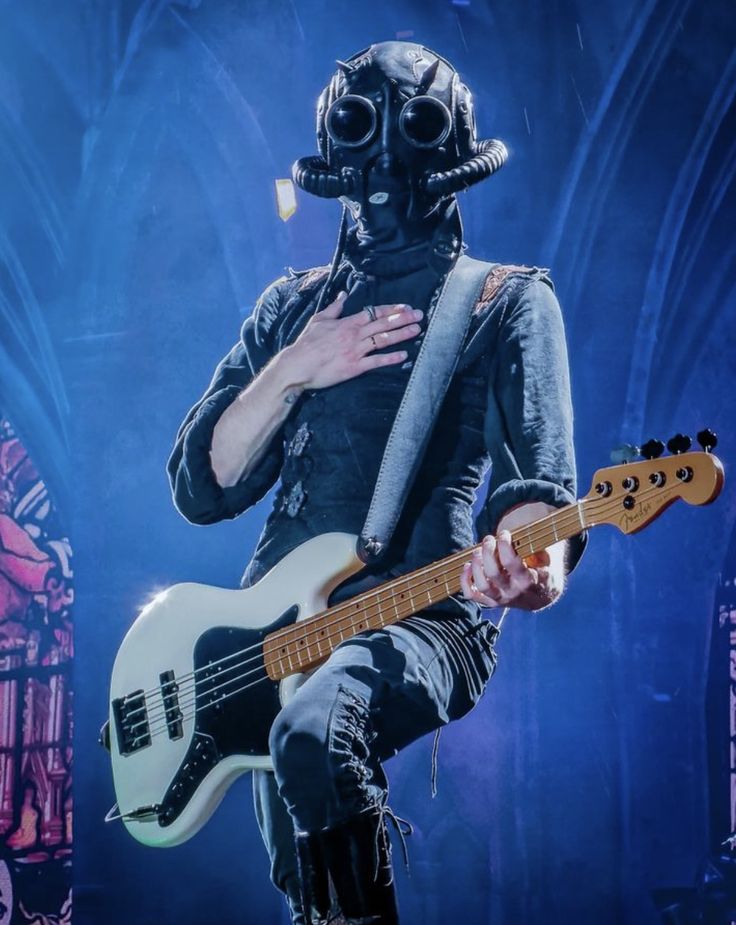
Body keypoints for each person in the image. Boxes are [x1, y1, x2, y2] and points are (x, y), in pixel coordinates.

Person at [167, 41, 585, 925]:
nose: (387, 158)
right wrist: (292, 368)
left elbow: (540, 496)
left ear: (453, 153)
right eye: (363, 127)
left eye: (415, 130)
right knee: (304, 863)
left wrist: (533, 571)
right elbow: (203, 485)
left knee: (316, 734)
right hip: (272, 644)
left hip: (423, 617)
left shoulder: (507, 301)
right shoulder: (291, 309)